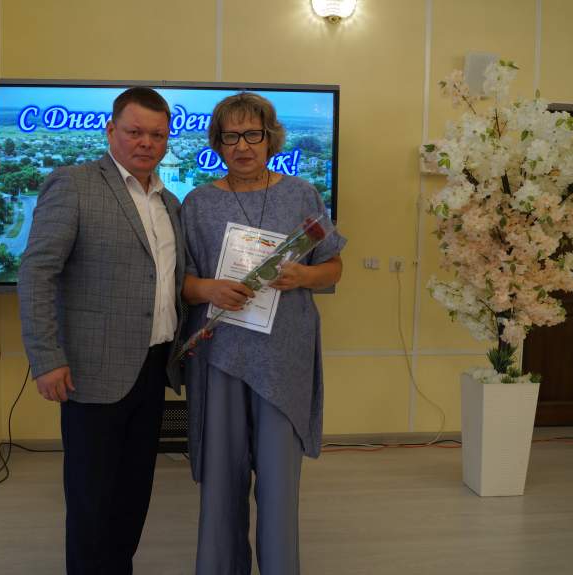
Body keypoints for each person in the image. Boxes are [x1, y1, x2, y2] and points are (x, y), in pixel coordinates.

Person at [18, 87, 185, 575]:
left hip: (153, 368)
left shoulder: (169, 201)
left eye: (157, 135)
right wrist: (47, 358)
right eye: (134, 131)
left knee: (133, 496)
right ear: (111, 131)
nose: (146, 143)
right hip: (90, 372)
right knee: (92, 502)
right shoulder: (74, 184)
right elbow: (37, 273)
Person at [180, 92, 346, 575]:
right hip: (220, 356)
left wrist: (304, 276)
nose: (242, 146)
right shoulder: (198, 203)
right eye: (230, 136)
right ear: (217, 143)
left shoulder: (302, 195)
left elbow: (334, 266)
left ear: (270, 138)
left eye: (252, 134)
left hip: (282, 359)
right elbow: (180, 283)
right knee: (221, 482)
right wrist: (208, 288)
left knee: (279, 485)